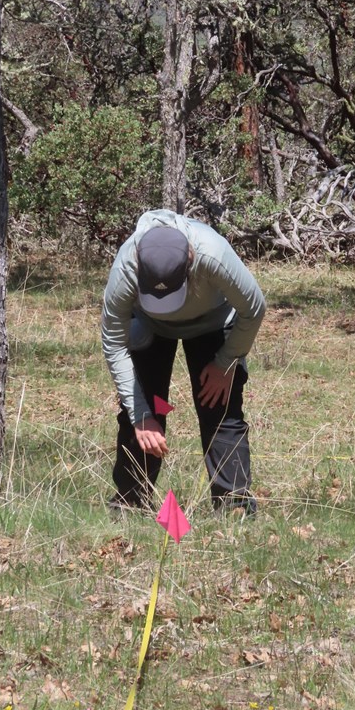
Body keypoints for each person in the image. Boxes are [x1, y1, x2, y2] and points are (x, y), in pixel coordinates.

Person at [101, 209, 266, 516]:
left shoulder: (213, 254)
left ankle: (234, 507)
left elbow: (253, 309)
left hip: (213, 323)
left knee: (220, 409)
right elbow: (113, 343)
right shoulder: (126, 266)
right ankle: (130, 503)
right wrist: (141, 415)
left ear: (191, 261)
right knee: (144, 410)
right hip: (149, 326)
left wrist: (226, 363)